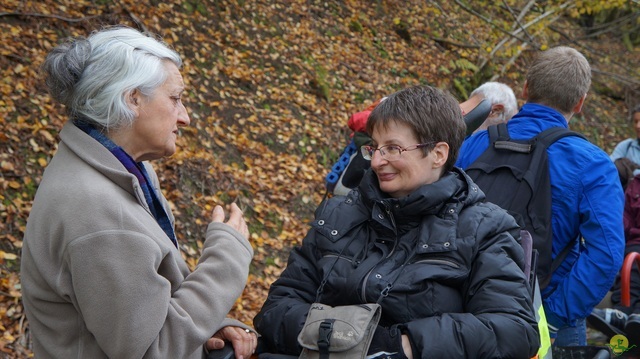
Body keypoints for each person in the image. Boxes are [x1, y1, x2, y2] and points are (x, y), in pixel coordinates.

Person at [20, 26, 257, 359]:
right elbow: (151, 350)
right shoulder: (100, 213)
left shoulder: (114, 169)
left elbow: (143, 305)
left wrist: (207, 326)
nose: (185, 117)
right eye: (175, 98)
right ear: (132, 98)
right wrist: (227, 258)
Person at [254, 85, 540, 358]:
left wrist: (404, 345)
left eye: (393, 148)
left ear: (438, 154)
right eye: (374, 147)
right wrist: (345, 337)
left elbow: (514, 328)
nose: (377, 161)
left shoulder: (485, 228)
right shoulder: (337, 214)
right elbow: (276, 308)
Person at [456, 46, 625, 347]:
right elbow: (606, 254)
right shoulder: (593, 164)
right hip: (543, 315)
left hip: (464, 306)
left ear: (525, 88)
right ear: (581, 102)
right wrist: (552, 317)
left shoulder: (475, 142)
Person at [588, 171, 640, 345]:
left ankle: (636, 315)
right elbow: (623, 220)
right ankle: (622, 314)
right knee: (630, 266)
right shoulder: (636, 185)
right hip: (635, 243)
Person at [610, 105, 640, 172]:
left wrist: (629, 171)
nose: (638, 126)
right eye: (636, 121)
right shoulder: (626, 146)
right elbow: (610, 168)